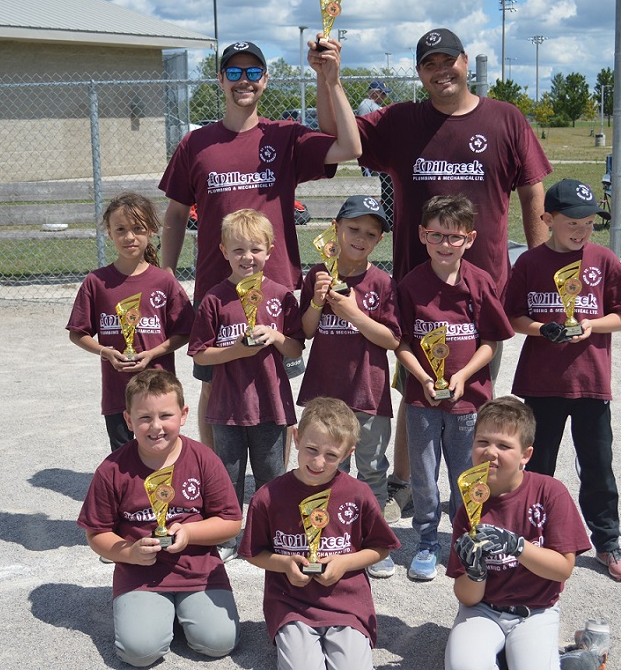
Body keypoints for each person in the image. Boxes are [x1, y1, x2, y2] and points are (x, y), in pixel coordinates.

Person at [313, 28, 552, 522]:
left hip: (483, 290)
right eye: (429, 64)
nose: (441, 70)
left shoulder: (504, 118)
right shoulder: (402, 121)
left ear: (466, 62)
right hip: (415, 291)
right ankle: (405, 483)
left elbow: (533, 192)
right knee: (414, 393)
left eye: (449, 60)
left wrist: (538, 264)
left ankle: (475, 497)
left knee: (474, 397)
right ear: (419, 73)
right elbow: (340, 135)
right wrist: (329, 78)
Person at [159, 39, 361, 452]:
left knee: (277, 386)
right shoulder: (196, 144)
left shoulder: (283, 136)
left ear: (266, 80)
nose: (243, 81)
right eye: (234, 73)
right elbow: (177, 214)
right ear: (220, 80)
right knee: (213, 387)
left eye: (253, 72)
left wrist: (331, 79)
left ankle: (276, 483)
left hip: (277, 285)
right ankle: (217, 478)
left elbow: (350, 147)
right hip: (219, 286)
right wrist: (166, 276)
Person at [505, 179, 621, 583]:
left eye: (588, 222)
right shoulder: (529, 263)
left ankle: (606, 541)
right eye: (571, 222)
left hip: (590, 383)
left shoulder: (603, 259)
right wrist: (541, 329)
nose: (581, 230)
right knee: (539, 466)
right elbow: (514, 318)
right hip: (541, 383)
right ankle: (533, 539)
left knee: (598, 467)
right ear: (547, 219)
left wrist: (590, 324)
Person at [77, 369, 242, 667]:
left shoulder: (204, 459)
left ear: (183, 414)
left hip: (198, 569)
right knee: (140, 653)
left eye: (166, 415)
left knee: (219, 642)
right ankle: (156, 613)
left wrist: (191, 534)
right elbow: (96, 533)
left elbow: (230, 521)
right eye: (144, 418)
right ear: (128, 420)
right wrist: (129, 552)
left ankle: (179, 611)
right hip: (141, 573)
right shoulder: (112, 469)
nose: (156, 427)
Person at [396, 195, 514, 582]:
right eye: (436, 235)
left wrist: (462, 377)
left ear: (470, 238)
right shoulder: (412, 284)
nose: (444, 244)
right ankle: (428, 542)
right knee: (424, 475)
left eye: (454, 237)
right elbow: (402, 344)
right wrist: (425, 378)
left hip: (469, 402)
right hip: (422, 399)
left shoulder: (479, 281)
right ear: (422, 235)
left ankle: (468, 538)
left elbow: (490, 342)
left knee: (468, 474)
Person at [239, 397, 400, 670]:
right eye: (311, 448)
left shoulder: (358, 494)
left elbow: (381, 548)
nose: (318, 461)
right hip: (291, 605)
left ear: (348, 454)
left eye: (331, 455)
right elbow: (254, 553)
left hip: (347, 604)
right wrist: (285, 564)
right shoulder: (268, 496)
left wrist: (345, 563)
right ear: (297, 438)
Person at [187, 209, 305, 560]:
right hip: (227, 406)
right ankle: (225, 535)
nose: (247, 257)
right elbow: (200, 355)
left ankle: (268, 535)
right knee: (228, 476)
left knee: (271, 477)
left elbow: (296, 348)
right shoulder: (215, 299)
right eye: (238, 250)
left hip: (270, 405)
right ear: (223, 251)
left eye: (255, 249)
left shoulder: (282, 296)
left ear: (269, 251)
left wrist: (275, 335)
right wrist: (236, 350)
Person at [444, 397, 595, 670]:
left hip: (535, 611)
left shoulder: (549, 492)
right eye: (483, 442)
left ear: (525, 455)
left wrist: (517, 546)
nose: (491, 452)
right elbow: (467, 597)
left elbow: (562, 569)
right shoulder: (470, 504)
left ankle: (574, 659)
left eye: (504, 446)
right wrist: (474, 572)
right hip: (483, 610)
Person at [297, 195, 401, 577]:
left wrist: (352, 312)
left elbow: (390, 339)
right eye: (353, 229)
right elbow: (306, 331)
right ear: (336, 229)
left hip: (367, 391)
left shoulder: (382, 282)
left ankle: (375, 542)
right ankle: (319, 536)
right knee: (319, 466)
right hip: (325, 392)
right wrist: (316, 301)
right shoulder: (318, 275)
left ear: (378, 242)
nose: (360, 238)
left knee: (371, 468)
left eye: (370, 234)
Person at [67, 193, 194, 451]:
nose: (129, 237)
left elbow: (185, 331)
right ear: (109, 234)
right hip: (117, 391)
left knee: (161, 450)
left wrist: (153, 354)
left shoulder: (164, 282)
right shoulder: (97, 282)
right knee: (123, 455)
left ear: (151, 231)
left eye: (138, 229)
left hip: (159, 390)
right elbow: (78, 332)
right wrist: (105, 351)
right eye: (121, 230)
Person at [355, 81, 393, 222]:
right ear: (375, 92)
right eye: (383, 93)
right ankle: (370, 213)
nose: (384, 96)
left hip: (381, 151)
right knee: (372, 184)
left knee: (387, 183)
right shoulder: (367, 105)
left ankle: (387, 213)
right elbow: (364, 127)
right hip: (372, 152)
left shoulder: (374, 105)